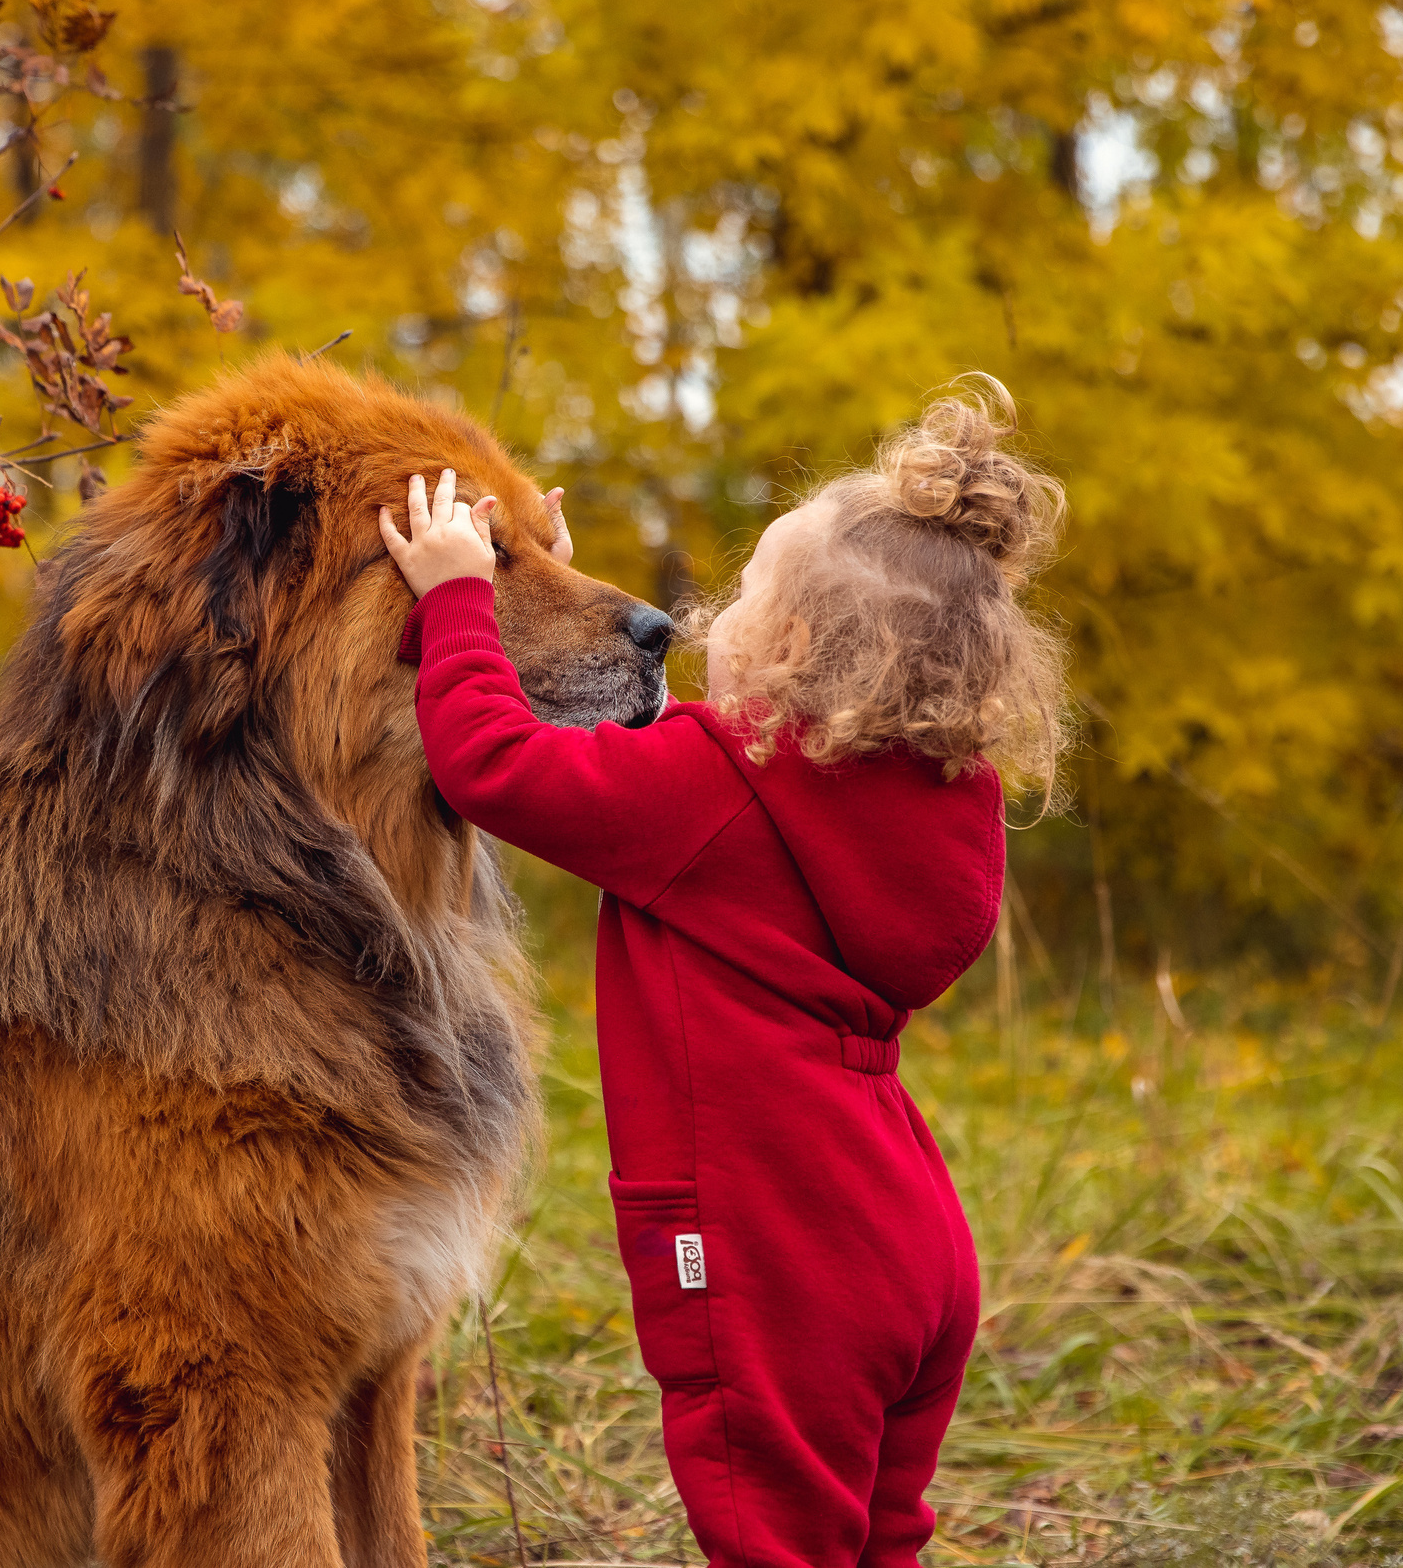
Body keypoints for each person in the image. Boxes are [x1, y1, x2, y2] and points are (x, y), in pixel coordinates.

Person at [378, 378, 1067, 1568]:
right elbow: (714, 805)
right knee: (878, 1536)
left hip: (774, 1257)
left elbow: (492, 763)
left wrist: (463, 604)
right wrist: (555, 581)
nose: (707, 613)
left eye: (744, 591)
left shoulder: (710, 790)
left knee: (772, 1543)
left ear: (791, 645)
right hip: (913, 1246)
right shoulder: (949, 805)